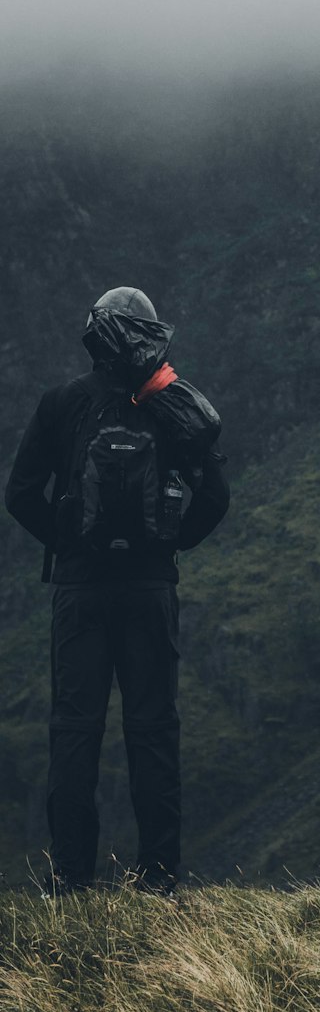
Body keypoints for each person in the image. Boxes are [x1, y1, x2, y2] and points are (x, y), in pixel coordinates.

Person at [5, 287, 230, 895]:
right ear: (150, 336)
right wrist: (168, 547)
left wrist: (70, 542)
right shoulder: (174, 410)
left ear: (95, 335)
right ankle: (158, 878)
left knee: (75, 730)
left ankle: (71, 879)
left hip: (80, 591)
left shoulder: (62, 404)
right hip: (151, 591)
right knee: (154, 729)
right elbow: (215, 499)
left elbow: (20, 493)